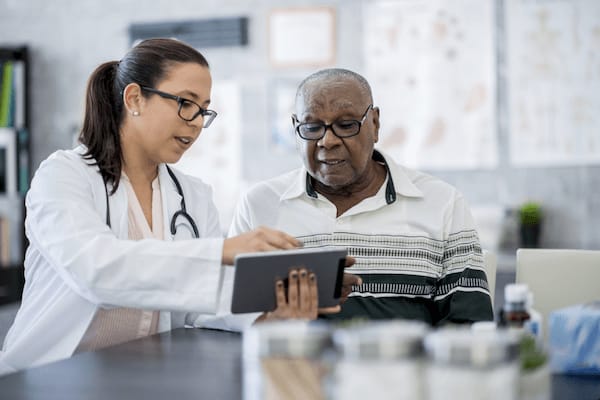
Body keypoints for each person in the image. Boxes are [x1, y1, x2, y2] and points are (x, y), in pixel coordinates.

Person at [0, 39, 346, 374]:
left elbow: (202, 307)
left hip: (141, 377)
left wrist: (269, 312)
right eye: (185, 102)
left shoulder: (193, 196)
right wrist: (221, 251)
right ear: (135, 98)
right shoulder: (63, 175)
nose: (196, 122)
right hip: (49, 376)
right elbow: (95, 271)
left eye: (203, 109)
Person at [229, 68, 494, 326]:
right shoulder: (259, 205)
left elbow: (468, 325)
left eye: (346, 125)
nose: (327, 141)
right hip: (292, 367)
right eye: (311, 127)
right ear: (295, 127)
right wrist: (274, 319)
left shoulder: (442, 203)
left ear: (375, 124)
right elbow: (226, 315)